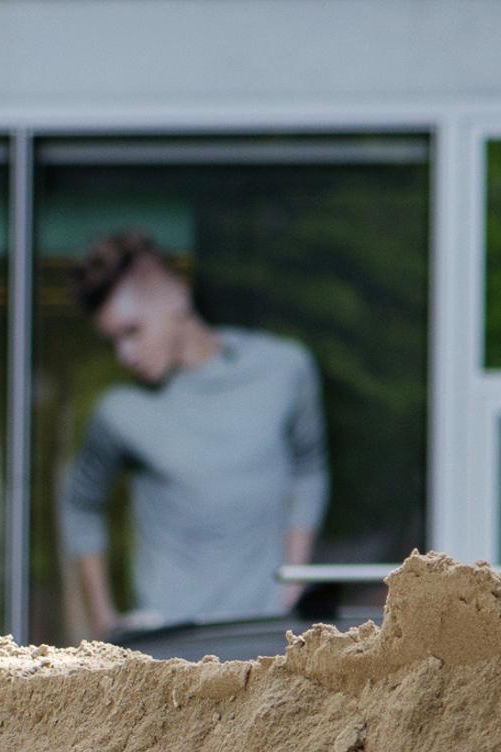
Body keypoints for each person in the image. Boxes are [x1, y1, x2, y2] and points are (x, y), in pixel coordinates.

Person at [58, 230, 329, 638]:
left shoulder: (285, 370)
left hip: (268, 636)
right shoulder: (120, 412)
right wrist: (103, 617)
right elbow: (80, 505)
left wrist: (293, 582)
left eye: (132, 331)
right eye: (113, 340)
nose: (124, 355)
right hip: (169, 646)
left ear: (178, 300)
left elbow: (310, 470)